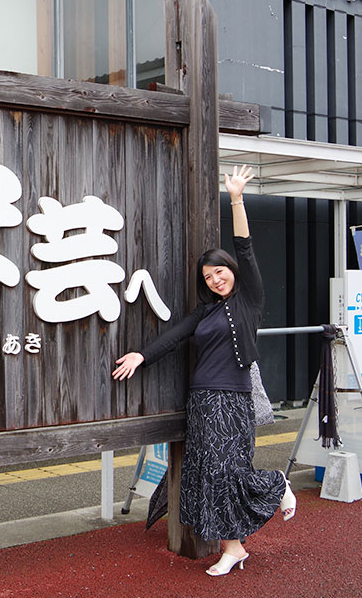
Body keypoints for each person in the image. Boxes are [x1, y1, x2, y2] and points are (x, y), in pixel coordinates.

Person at [111, 164, 296, 577]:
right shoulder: (206, 311)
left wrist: (236, 198)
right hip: (201, 400)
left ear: (231, 270)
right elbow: (174, 335)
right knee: (210, 476)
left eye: (220, 271)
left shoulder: (248, 300)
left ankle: (276, 486)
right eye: (209, 276)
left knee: (229, 471)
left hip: (231, 400)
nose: (216, 279)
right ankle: (234, 548)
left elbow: (245, 247)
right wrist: (142, 355)